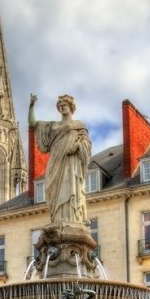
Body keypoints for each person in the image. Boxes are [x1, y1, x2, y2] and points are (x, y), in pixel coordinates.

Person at [29, 94, 92, 228]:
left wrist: (76, 146)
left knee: (70, 187)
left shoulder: (79, 125)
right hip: (56, 161)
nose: (62, 107)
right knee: (55, 190)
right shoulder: (53, 126)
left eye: (65, 105)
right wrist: (31, 106)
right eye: (60, 106)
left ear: (71, 107)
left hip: (71, 162)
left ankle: (72, 218)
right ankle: (58, 218)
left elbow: (87, 144)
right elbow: (33, 123)